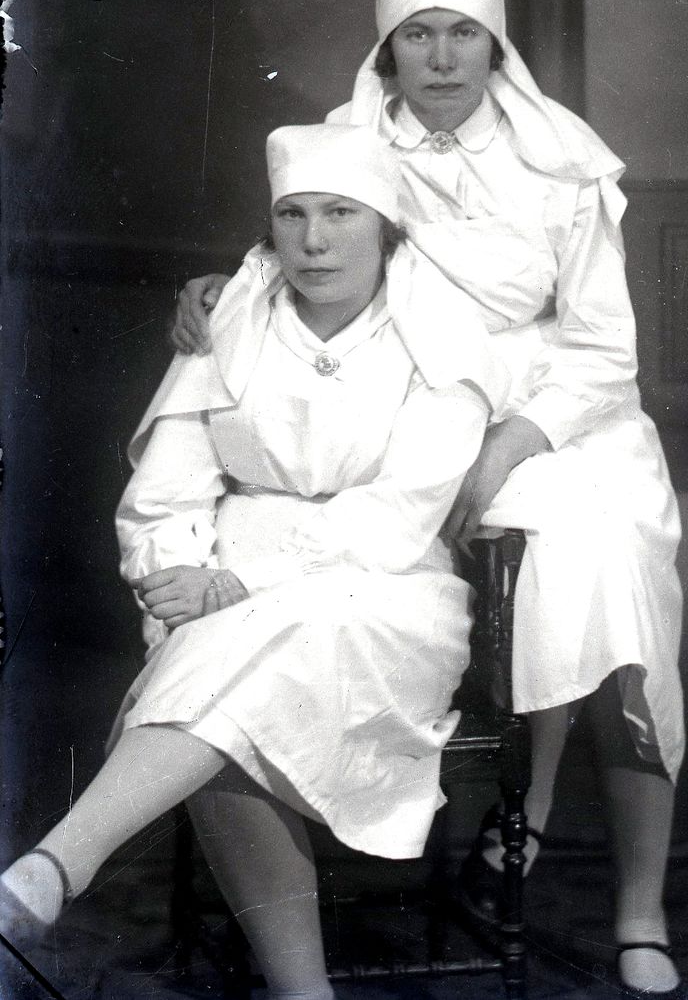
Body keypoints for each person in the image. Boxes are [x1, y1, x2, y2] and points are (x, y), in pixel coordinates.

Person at [171, 0, 686, 996]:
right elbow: (299, 253)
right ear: (387, 47)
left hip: (564, 414)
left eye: (462, 34)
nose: (441, 59)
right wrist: (217, 288)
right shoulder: (348, 139)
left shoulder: (562, 159)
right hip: (408, 403)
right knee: (466, 564)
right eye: (417, 35)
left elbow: (604, 350)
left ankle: (638, 903)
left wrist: (510, 443)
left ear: (494, 44)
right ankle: (518, 803)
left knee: (611, 565)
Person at [0, 123, 507, 1000]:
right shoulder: (234, 317)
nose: (313, 240)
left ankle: (55, 864)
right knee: (233, 699)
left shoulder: (441, 334)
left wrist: (238, 583)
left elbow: (399, 513)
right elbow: (166, 490)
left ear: (386, 226)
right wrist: (175, 577)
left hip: (385, 586)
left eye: (341, 213)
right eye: (292, 214)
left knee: (249, 658)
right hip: (225, 573)